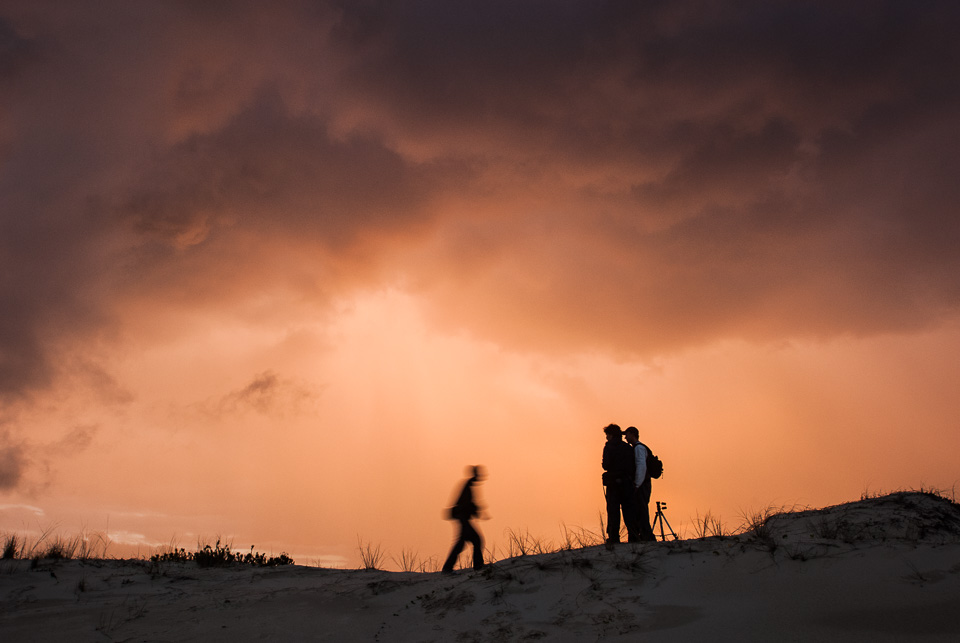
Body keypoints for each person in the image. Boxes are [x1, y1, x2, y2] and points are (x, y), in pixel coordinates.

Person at [441, 465, 486, 573]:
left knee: (462, 543)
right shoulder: (468, 486)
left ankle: (448, 568)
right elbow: (465, 504)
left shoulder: (469, 485)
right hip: (462, 518)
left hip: (463, 518)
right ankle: (478, 567)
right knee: (476, 540)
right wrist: (475, 509)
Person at [601, 424, 639, 544]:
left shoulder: (609, 447)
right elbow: (633, 466)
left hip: (613, 484)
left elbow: (606, 465)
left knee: (613, 511)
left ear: (611, 435)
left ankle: (614, 538)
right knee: (629, 511)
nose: (606, 437)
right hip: (627, 483)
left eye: (607, 435)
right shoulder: (628, 448)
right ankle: (633, 536)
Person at [624, 426, 657, 541]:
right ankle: (644, 535)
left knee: (642, 510)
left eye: (627, 434)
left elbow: (641, 466)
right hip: (643, 483)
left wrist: (637, 484)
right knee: (640, 510)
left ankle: (647, 536)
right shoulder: (639, 447)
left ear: (632, 434)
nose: (625, 437)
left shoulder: (638, 448)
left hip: (642, 484)